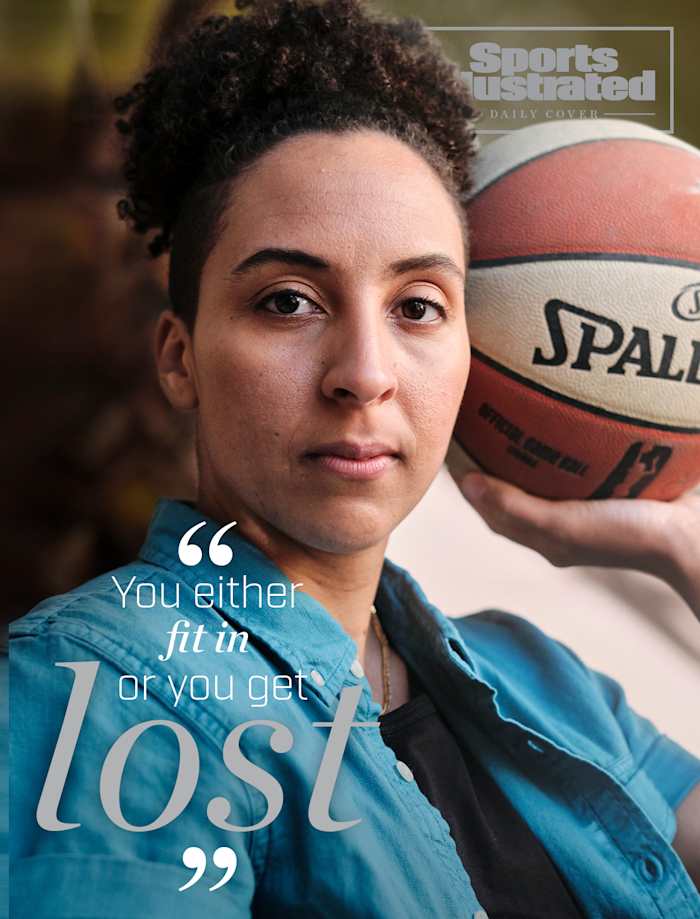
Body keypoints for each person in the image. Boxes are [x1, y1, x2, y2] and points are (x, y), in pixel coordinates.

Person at [9, 1, 700, 916]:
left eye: (417, 306)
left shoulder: (545, 683)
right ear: (179, 358)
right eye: (289, 301)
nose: (364, 375)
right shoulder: (100, 691)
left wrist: (683, 549)